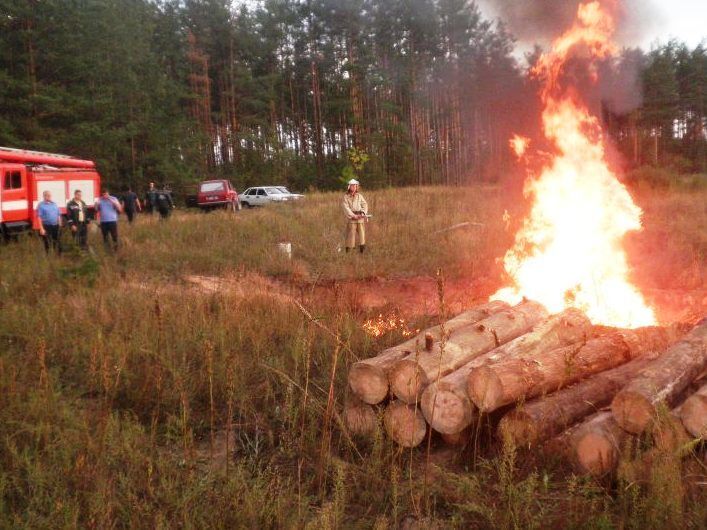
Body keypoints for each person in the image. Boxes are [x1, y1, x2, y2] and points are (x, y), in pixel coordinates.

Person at [342, 178, 368, 253]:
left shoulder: (359, 196)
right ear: (349, 187)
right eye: (352, 186)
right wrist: (353, 215)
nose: (353, 187)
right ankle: (350, 251)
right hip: (351, 219)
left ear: (357, 187)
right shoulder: (345, 197)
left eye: (355, 186)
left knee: (362, 234)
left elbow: (365, 204)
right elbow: (346, 208)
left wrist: (363, 213)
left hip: (360, 218)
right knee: (351, 235)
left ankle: (362, 251)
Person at [36, 190, 62, 254]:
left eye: (50, 195)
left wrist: (60, 224)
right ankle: (48, 256)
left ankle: (58, 255)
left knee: (57, 241)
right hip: (46, 226)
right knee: (47, 242)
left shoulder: (54, 204)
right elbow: (39, 217)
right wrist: (41, 228)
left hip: (56, 226)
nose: (50, 197)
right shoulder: (41, 205)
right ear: (44, 196)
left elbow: (58, 214)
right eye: (48, 195)